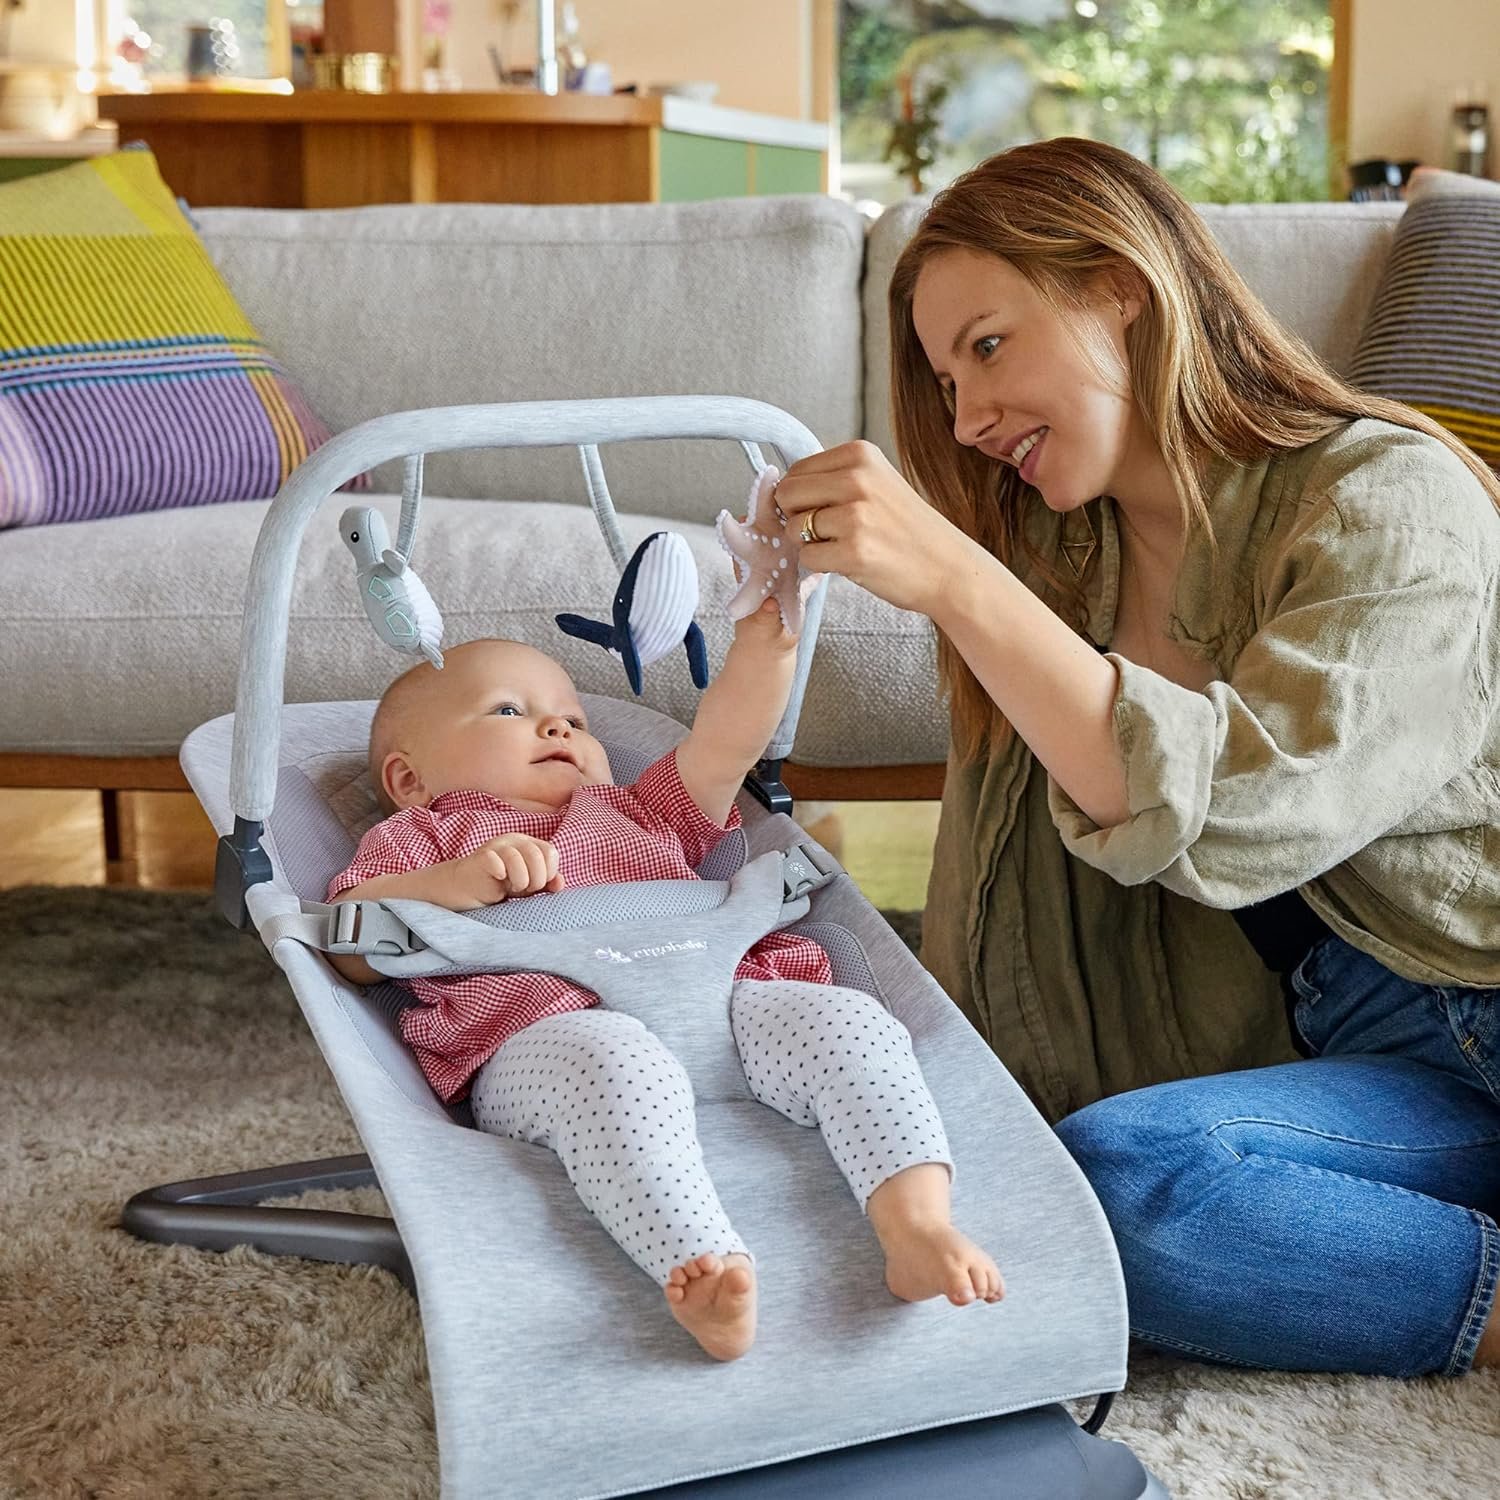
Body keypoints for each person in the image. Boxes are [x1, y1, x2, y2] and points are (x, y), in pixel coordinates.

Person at [771, 136, 1500, 1380]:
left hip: (1472, 1011)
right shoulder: (1070, 564)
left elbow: (1247, 803)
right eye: (945, 382)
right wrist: (938, 1125)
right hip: (1361, 1057)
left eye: (988, 346)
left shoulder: (1390, 496)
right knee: (1103, 1178)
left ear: (1121, 288)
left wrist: (956, 578)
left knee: (1119, 1195)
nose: (968, 418)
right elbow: (990, 896)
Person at [324, 624, 1001, 1363]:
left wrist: (771, 639)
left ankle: (916, 1224)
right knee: (610, 1065)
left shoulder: (641, 810)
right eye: (509, 711)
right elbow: (349, 945)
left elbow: (728, 742)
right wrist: (449, 884)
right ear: (409, 781)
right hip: (552, 1040)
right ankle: (701, 1264)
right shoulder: (419, 839)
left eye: (573, 719)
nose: (558, 726)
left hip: (728, 1006)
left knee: (847, 1021)